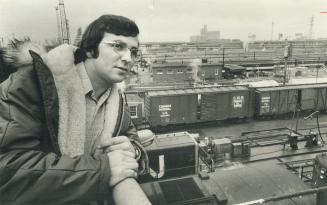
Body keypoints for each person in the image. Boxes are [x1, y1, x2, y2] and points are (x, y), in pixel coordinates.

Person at [0, 15, 150, 204]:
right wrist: (103, 170)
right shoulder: (33, 84)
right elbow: (9, 168)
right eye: (117, 46)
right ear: (89, 50)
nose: (128, 58)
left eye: (134, 51)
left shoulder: (116, 98)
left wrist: (134, 150)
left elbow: (130, 134)